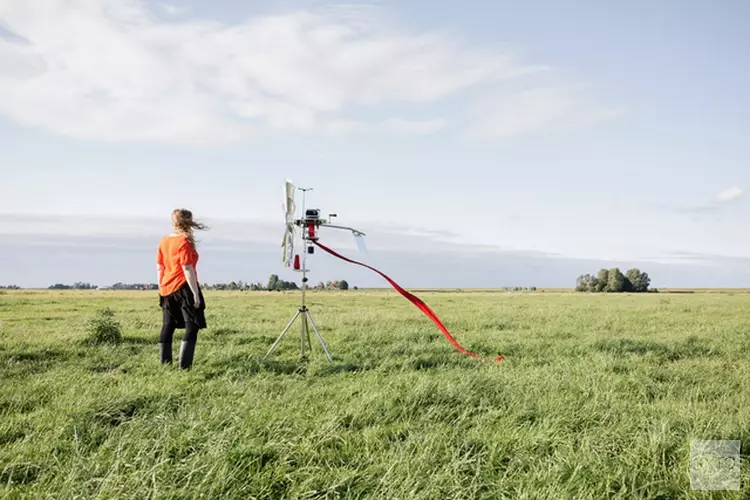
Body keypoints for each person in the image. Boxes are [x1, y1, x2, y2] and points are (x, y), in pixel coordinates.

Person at [156, 209, 208, 369]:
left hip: (166, 288)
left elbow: (160, 267)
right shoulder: (183, 242)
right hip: (183, 287)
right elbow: (187, 269)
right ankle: (184, 368)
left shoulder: (164, 241)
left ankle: (165, 366)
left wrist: (161, 288)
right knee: (192, 325)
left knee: (168, 326)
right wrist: (195, 294)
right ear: (188, 222)